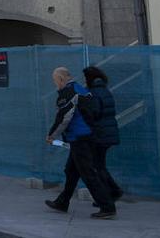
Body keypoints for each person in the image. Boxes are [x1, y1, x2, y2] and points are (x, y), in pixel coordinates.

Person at [44, 66, 116, 219]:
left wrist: (51, 135)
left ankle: (107, 206)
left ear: (61, 79)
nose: (55, 84)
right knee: (71, 171)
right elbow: (95, 111)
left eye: (55, 81)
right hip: (88, 135)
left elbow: (64, 117)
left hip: (79, 138)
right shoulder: (81, 89)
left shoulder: (67, 93)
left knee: (88, 173)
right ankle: (62, 202)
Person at [82, 65, 124, 204]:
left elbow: (93, 113)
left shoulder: (94, 93)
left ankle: (109, 194)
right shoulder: (104, 90)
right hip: (107, 132)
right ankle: (112, 191)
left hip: (99, 133)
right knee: (100, 165)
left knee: (96, 166)